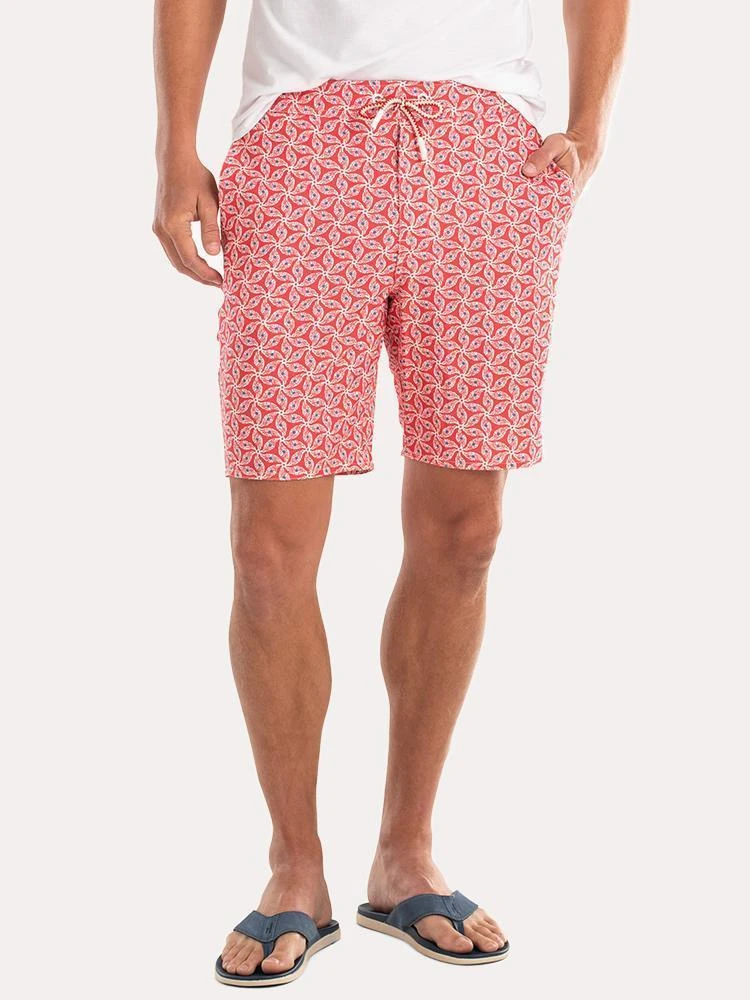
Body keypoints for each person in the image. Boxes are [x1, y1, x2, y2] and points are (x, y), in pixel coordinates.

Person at [153, 0, 628, 986]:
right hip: (298, 143)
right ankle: (295, 863)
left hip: (488, 156)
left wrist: (588, 126)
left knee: (466, 532)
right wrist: (174, 146)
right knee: (268, 547)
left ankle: (405, 854)